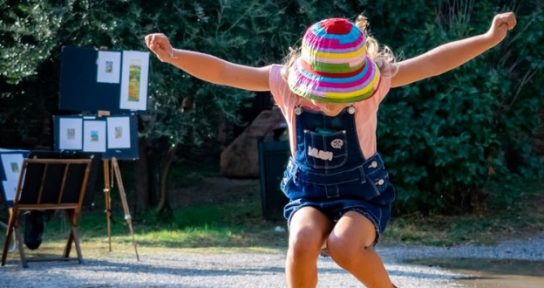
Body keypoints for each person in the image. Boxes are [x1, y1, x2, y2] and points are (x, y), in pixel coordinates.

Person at [145, 12, 516, 288]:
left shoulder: (377, 83)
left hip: (362, 193)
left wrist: (487, 38)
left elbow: (434, 62)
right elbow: (226, 72)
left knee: (343, 246)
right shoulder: (283, 84)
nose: (331, 104)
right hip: (308, 191)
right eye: (323, 94)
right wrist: (174, 55)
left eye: (344, 94)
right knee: (303, 240)